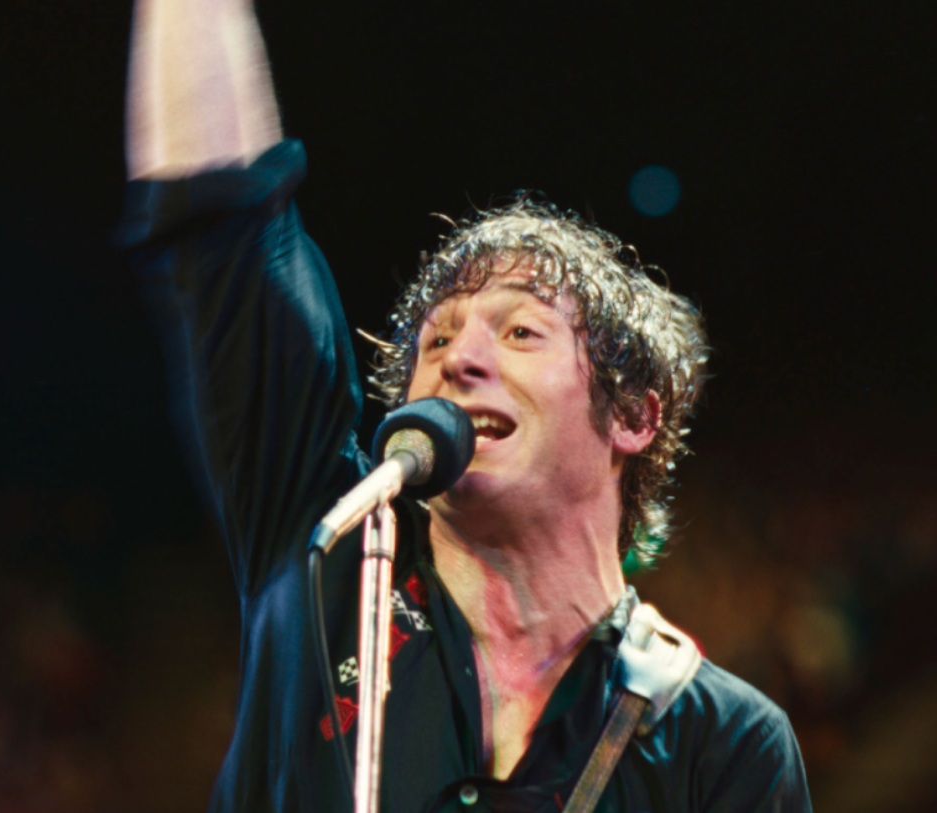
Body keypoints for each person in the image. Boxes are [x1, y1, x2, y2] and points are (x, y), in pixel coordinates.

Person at [118, 1, 813, 810]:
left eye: (519, 331)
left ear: (631, 416)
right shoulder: (329, 554)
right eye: (437, 339)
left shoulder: (725, 744)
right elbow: (219, 227)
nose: (458, 359)